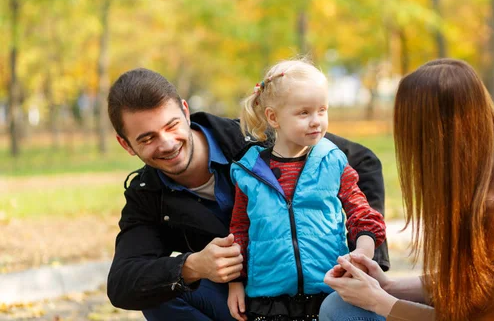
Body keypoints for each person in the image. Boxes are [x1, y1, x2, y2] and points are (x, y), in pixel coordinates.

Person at [320, 58, 494, 321]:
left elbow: (474, 317)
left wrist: (378, 301)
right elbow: (474, 284)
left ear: (432, 132)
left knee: (342, 311)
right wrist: (388, 285)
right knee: (341, 303)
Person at [105, 67, 390, 320]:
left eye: (172, 125)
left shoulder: (257, 137)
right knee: (158, 294)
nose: (166, 143)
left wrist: (365, 259)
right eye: (148, 138)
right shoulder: (147, 194)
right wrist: (192, 267)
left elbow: (362, 162)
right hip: (245, 299)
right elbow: (122, 283)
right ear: (126, 144)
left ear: (184, 110)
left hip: (321, 282)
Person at [226, 60, 386, 321]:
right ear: (273, 117)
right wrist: (235, 282)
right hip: (269, 300)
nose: (316, 121)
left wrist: (362, 253)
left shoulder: (332, 162)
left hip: (328, 291)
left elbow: (362, 214)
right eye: (304, 113)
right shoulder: (249, 172)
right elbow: (239, 231)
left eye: (322, 110)